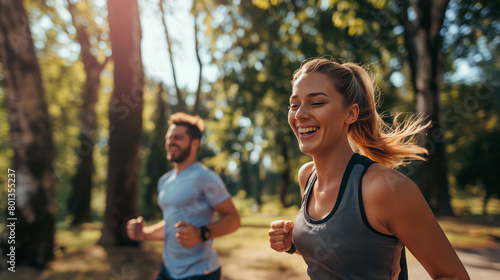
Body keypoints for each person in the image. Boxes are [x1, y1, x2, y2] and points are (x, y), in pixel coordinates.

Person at [268, 57, 470, 279]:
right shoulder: (307, 177)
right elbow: (346, 258)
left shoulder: (385, 187)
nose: (300, 114)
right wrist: (292, 244)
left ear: (351, 113)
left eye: (316, 103)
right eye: (294, 105)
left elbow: (453, 276)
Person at [127, 113, 240, 280]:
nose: (171, 142)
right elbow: (172, 223)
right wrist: (143, 233)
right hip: (168, 271)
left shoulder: (205, 177)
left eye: (178, 137)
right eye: (169, 137)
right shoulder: (164, 181)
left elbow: (233, 219)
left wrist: (202, 233)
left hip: (200, 273)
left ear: (195, 143)